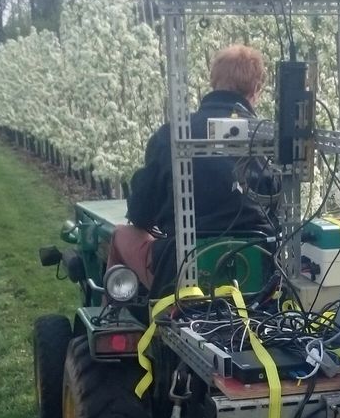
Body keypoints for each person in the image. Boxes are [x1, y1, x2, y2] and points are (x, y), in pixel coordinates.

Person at [108, 44, 276, 291]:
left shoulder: (174, 134)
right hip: (258, 269)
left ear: (213, 80)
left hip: (180, 267)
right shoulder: (269, 139)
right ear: (257, 88)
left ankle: (119, 317)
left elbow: (140, 212)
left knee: (122, 234)